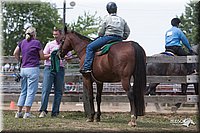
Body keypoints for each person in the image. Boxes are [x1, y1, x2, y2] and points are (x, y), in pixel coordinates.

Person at [80, 2, 130, 74]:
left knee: (90, 47)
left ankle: (87, 68)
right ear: (116, 9)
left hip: (108, 38)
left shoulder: (106, 19)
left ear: (108, 10)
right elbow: (127, 31)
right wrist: (123, 37)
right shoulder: (122, 19)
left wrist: (100, 35)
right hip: (119, 38)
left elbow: (101, 32)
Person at [13, 26, 49, 118]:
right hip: (33, 69)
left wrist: (20, 60)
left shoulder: (22, 42)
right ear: (34, 34)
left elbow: (15, 53)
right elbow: (41, 57)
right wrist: (51, 55)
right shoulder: (37, 43)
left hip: (23, 69)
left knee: (23, 91)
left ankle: (19, 112)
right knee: (31, 91)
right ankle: (27, 113)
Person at [38, 27, 66, 118]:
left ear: (61, 35)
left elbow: (68, 57)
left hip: (60, 68)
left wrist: (65, 57)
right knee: (46, 89)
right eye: (54, 35)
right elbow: (43, 56)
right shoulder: (49, 44)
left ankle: (55, 112)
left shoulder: (64, 45)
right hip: (49, 67)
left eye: (57, 35)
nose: (55, 37)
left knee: (58, 91)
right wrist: (52, 54)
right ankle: (43, 110)